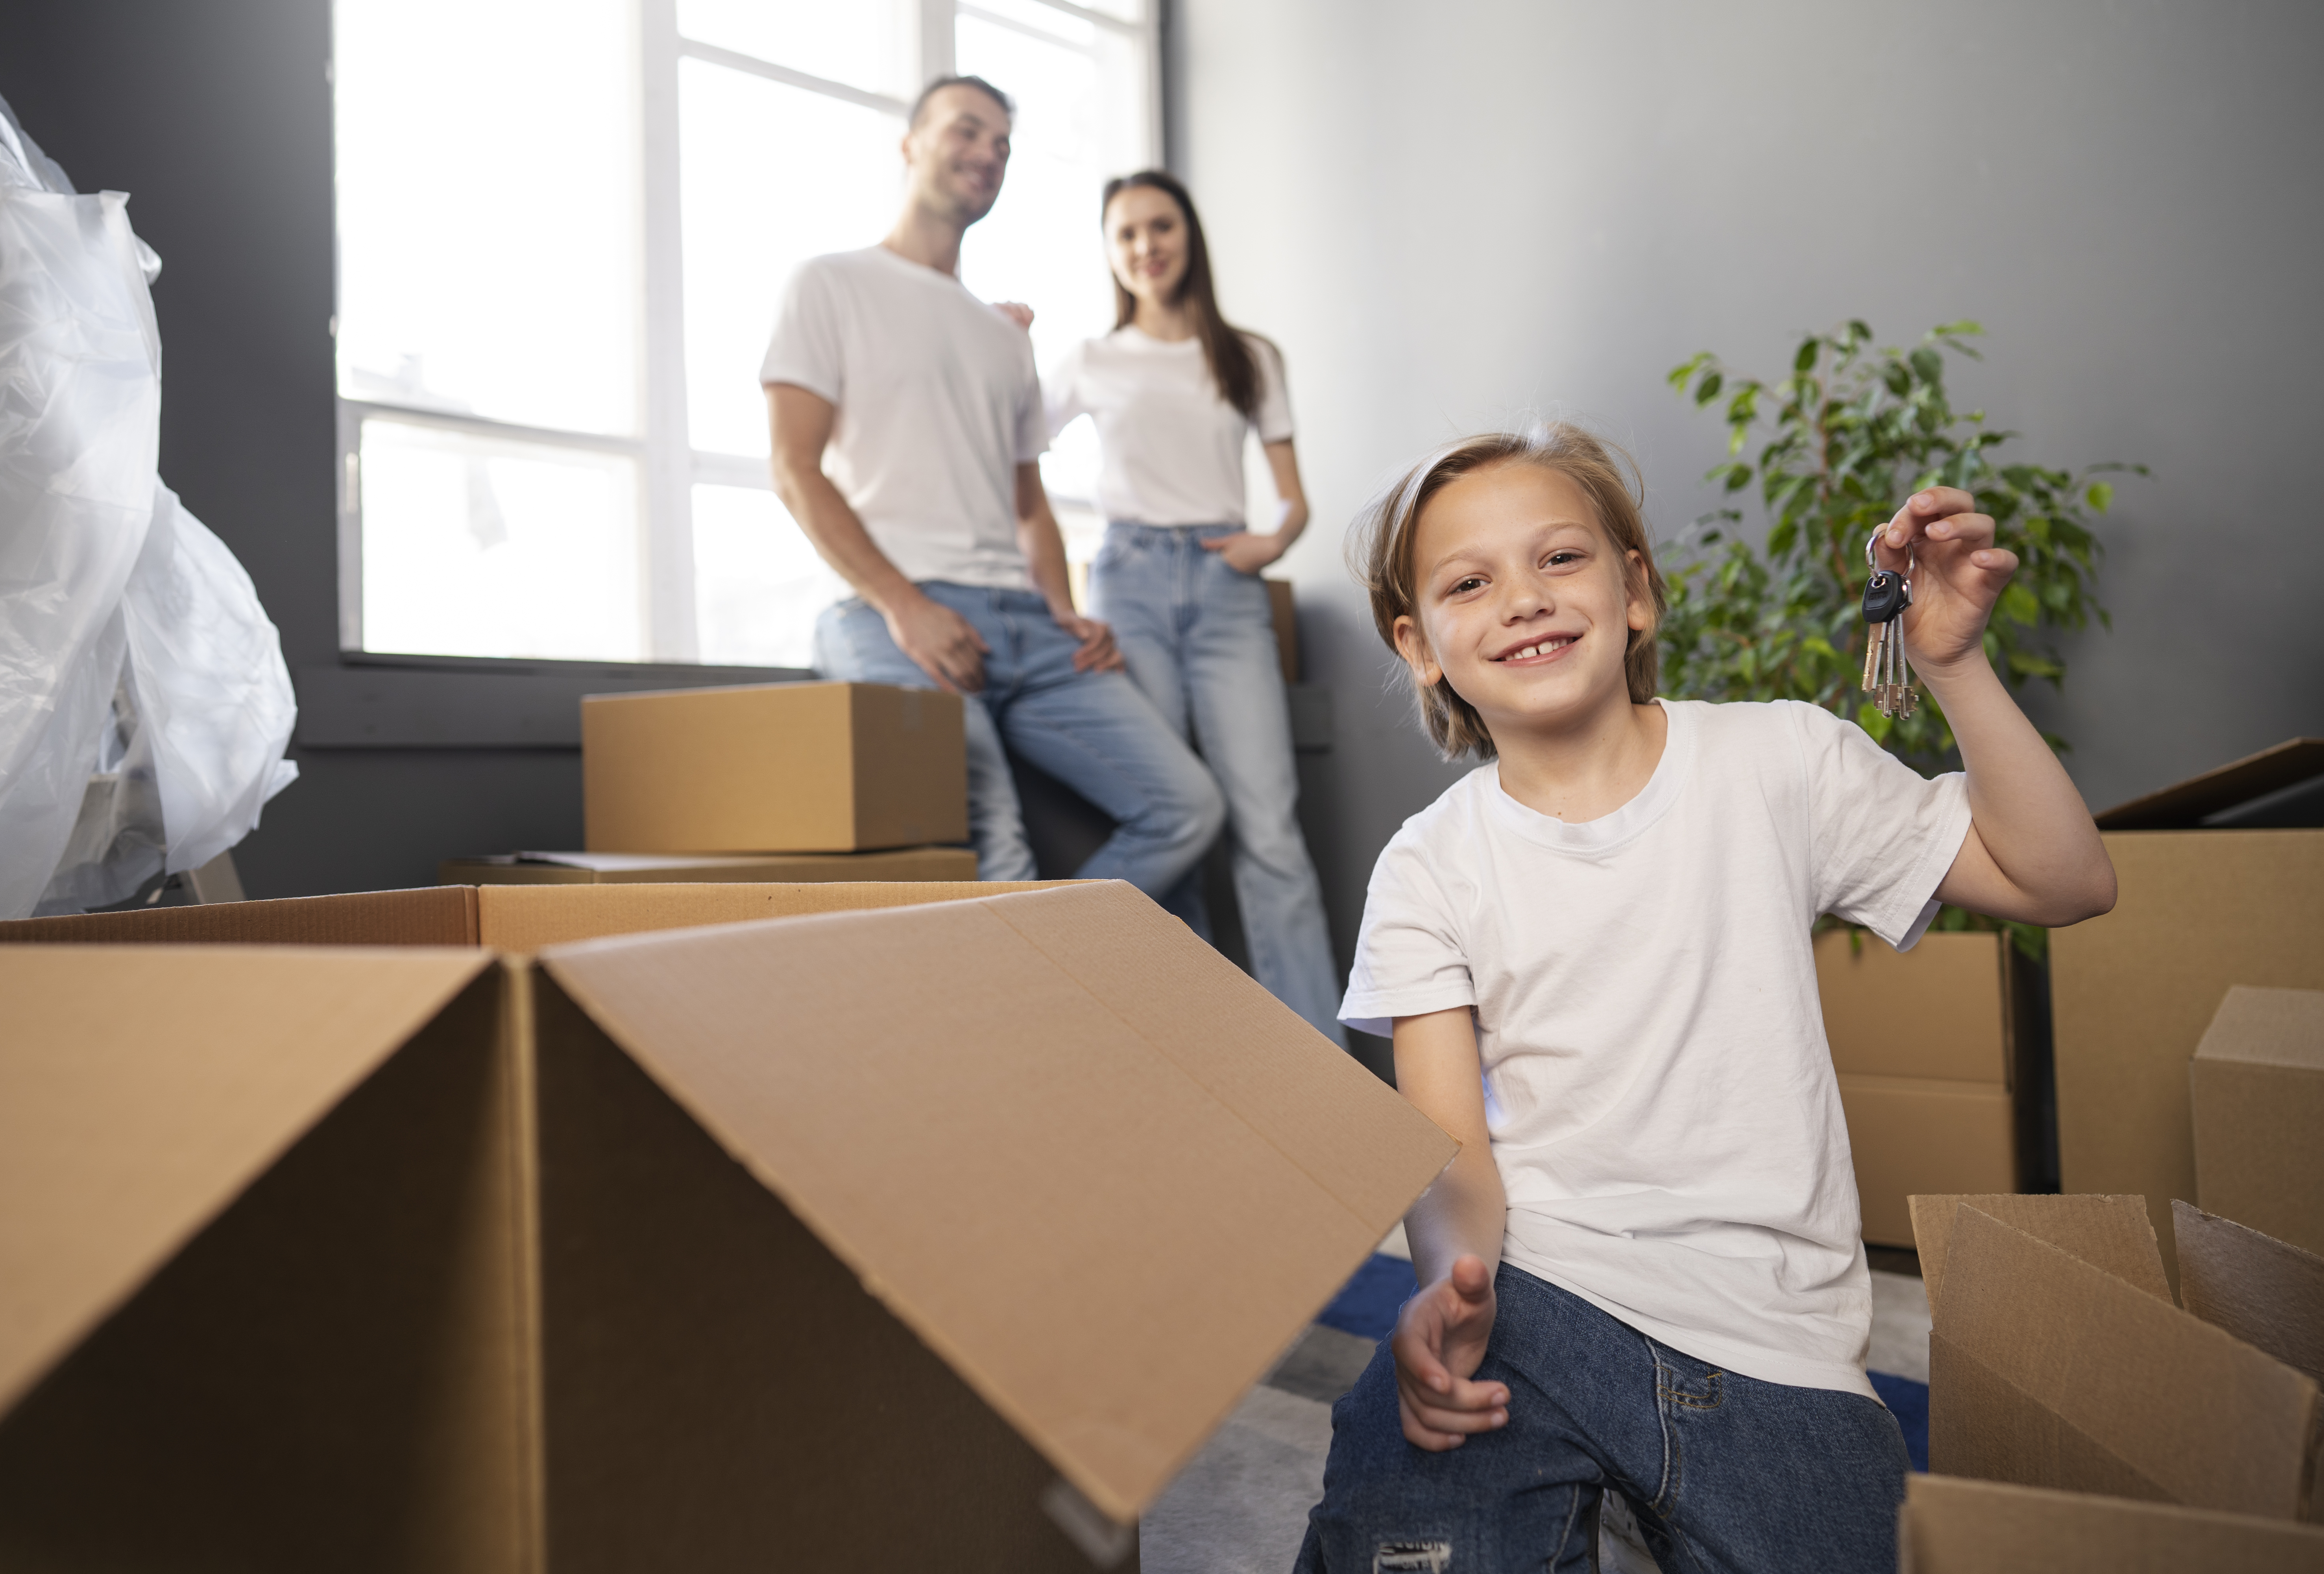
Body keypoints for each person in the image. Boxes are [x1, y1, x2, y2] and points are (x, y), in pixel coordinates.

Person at [1296, 425, 2117, 1573]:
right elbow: (1448, 1146)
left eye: (1561, 560)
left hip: (1779, 1348)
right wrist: (1452, 1292)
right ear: (1418, 643)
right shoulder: (1427, 864)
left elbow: (2066, 879)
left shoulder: (1781, 763)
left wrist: (1951, 664)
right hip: (1539, 1300)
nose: (1523, 600)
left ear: (1637, 589)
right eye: (1470, 582)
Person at [761, 78, 1222, 894]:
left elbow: (1026, 502)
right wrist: (905, 605)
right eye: (967, 131)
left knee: (1187, 806)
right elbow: (794, 469)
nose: (987, 153)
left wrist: (1063, 607)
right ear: (909, 144)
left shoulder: (1005, 336)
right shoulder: (829, 284)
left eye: (1003, 144)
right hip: (895, 613)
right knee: (995, 847)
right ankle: (1029, 997)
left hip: (1027, 627)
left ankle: (1059, 958)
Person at [1043, 170, 1343, 1042]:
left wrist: (1269, 542)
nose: (1146, 246)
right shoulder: (1091, 360)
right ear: (1110, 251)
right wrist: (1061, 601)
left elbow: (1294, 502)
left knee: (1269, 828)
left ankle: (1318, 1071)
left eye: (1160, 226)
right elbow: (1010, 458)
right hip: (1128, 583)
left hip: (1224, 588)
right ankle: (1191, 1045)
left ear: (1189, 234)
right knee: (1171, 816)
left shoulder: (1249, 355)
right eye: (1126, 234)